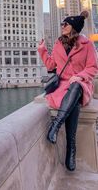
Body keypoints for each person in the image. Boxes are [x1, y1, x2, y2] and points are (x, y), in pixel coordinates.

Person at [38, 11, 98, 171]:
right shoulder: (58, 44)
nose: (62, 26)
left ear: (74, 27)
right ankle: (71, 148)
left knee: (76, 89)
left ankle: (56, 125)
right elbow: (51, 66)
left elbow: (93, 67)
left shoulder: (87, 45)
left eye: (65, 24)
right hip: (62, 85)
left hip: (81, 84)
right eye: (62, 24)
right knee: (74, 103)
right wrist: (42, 50)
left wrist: (80, 77)